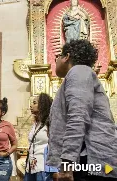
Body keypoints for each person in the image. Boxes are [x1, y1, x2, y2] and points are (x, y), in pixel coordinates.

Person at [47, 39, 117, 181]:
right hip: (88, 159)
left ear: (66, 57)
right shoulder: (81, 74)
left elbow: (78, 117)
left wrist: (67, 163)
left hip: (89, 159)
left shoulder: (78, 71)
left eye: (57, 57)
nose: (56, 61)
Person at [24, 93, 53, 181]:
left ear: (42, 105)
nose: (31, 105)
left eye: (34, 103)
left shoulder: (50, 123)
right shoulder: (36, 124)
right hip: (31, 165)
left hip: (43, 165)